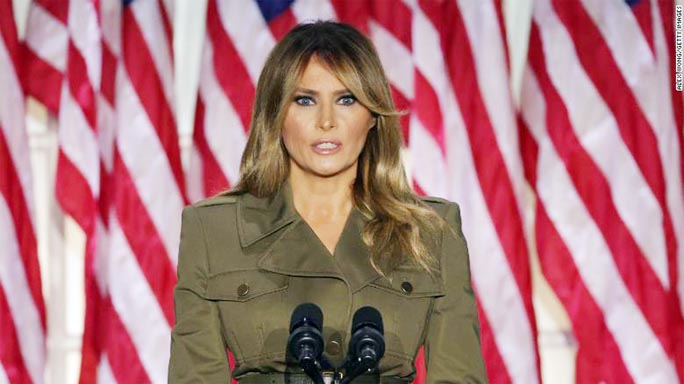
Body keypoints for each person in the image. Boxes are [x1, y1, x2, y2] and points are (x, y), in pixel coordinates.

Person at [168, 21, 487, 383]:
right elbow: (194, 376)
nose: (326, 122)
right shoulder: (213, 229)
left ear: (372, 116)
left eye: (346, 99)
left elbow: (459, 377)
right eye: (305, 100)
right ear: (276, 113)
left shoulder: (432, 230)